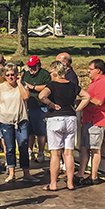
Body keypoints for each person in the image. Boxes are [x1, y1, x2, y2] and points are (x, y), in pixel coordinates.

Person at [0, 62, 35, 183]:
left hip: (21, 120)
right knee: (10, 147)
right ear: (5, 76)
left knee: (23, 145)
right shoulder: (0, 87)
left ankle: (26, 173)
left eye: (13, 74)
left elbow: (26, 96)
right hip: (6, 121)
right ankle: (11, 172)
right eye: (8, 75)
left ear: (17, 75)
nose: (11, 77)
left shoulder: (22, 85)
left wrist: (19, 83)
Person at [39, 60, 80, 190]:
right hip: (70, 118)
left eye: (51, 72)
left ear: (55, 72)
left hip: (55, 118)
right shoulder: (72, 85)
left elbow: (42, 96)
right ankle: (70, 182)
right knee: (68, 153)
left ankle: (53, 183)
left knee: (55, 154)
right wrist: (77, 109)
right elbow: (87, 96)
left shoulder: (52, 85)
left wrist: (51, 104)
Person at [76, 59, 105, 185]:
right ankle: (81, 173)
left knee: (95, 148)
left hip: (97, 120)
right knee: (85, 147)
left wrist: (82, 103)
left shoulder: (102, 83)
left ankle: (93, 176)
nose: (88, 71)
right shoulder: (94, 82)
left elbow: (99, 101)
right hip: (89, 119)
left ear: (98, 70)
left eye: (91, 69)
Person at [21, 55, 51, 163]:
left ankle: (41, 152)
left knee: (40, 132)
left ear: (38, 65)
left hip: (40, 107)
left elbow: (48, 86)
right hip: (28, 107)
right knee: (29, 131)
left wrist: (32, 87)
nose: (31, 69)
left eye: (33, 66)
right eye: (29, 66)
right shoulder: (26, 74)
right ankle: (30, 151)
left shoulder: (45, 74)